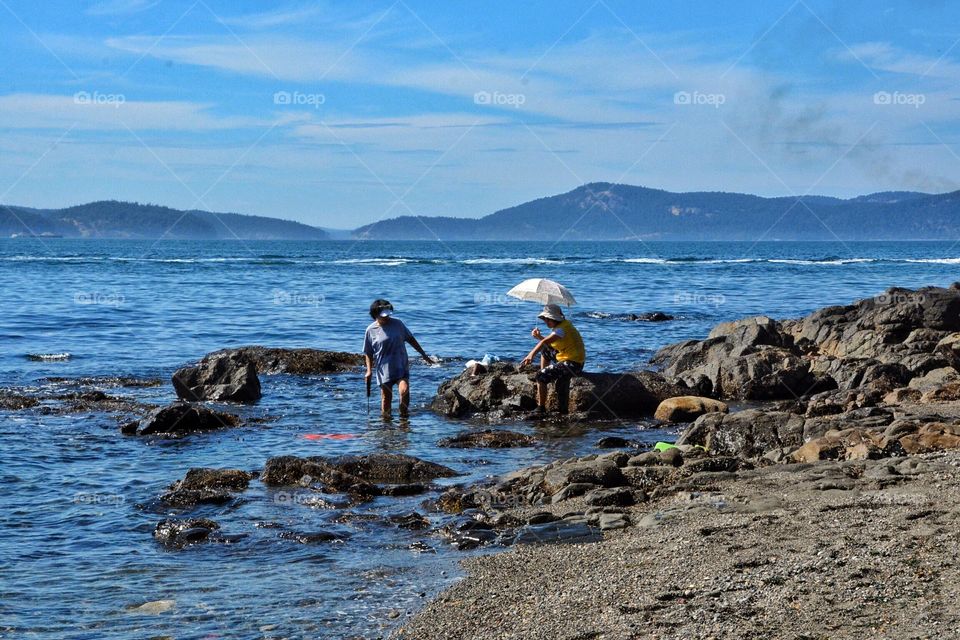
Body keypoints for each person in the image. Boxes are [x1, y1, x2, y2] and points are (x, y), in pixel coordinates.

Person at [363, 299, 434, 418]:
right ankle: (386, 424)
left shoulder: (398, 324)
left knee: (404, 390)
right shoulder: (370, 330)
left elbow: (411, 339)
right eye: (383, 316)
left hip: (400, 365)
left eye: (388, 315)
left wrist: (423, 355)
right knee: (386, 398)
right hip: (384, 368)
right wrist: (369, 371)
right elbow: (368, 352)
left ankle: (404, 419)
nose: (386, 318)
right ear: (375, 315)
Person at [520, 303, 586, 415]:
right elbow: (550, 344)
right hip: (567, 358)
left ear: (553, 319)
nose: (546, 322)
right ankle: (545, 376)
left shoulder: (561, 330)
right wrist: (539, 337)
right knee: (545, 350)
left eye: (547, 320)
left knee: (540, 376)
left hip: (573, 363)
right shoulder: (562, 326)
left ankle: (541, 407)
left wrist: (531, 355)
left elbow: (545, 342)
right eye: (544, 320)